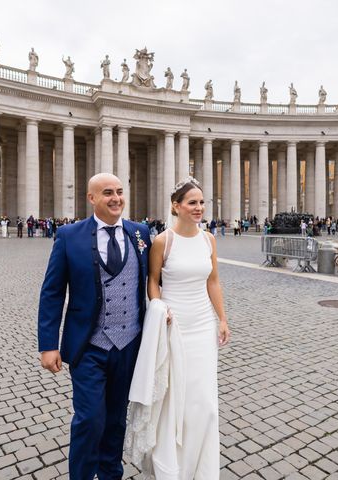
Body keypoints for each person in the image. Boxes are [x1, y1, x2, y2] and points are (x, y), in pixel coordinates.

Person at [38, 173, 151, 480]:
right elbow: (52, 292)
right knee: (90, 419)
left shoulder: (140, 233)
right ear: (91, 198)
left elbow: (156, 281)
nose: (116, 198)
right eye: (107, 193)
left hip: (129, 345)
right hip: (89, 345)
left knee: (116, 420)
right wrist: (48, 344)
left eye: (119, 192)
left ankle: (111, 473)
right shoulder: (68, 236)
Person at [129, 177, 229, 477]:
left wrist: (222, 318)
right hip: (175, 325)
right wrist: (159, 308)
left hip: (202, 324)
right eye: (192, 203)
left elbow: (213, 280)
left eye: (201, 202)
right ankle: (172, 466)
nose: (199, 208)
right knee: (177, 400)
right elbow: (153, 280)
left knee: (205, 403)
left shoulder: (209, 239)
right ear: (176, 206)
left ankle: (202, 467)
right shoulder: (163, 241)